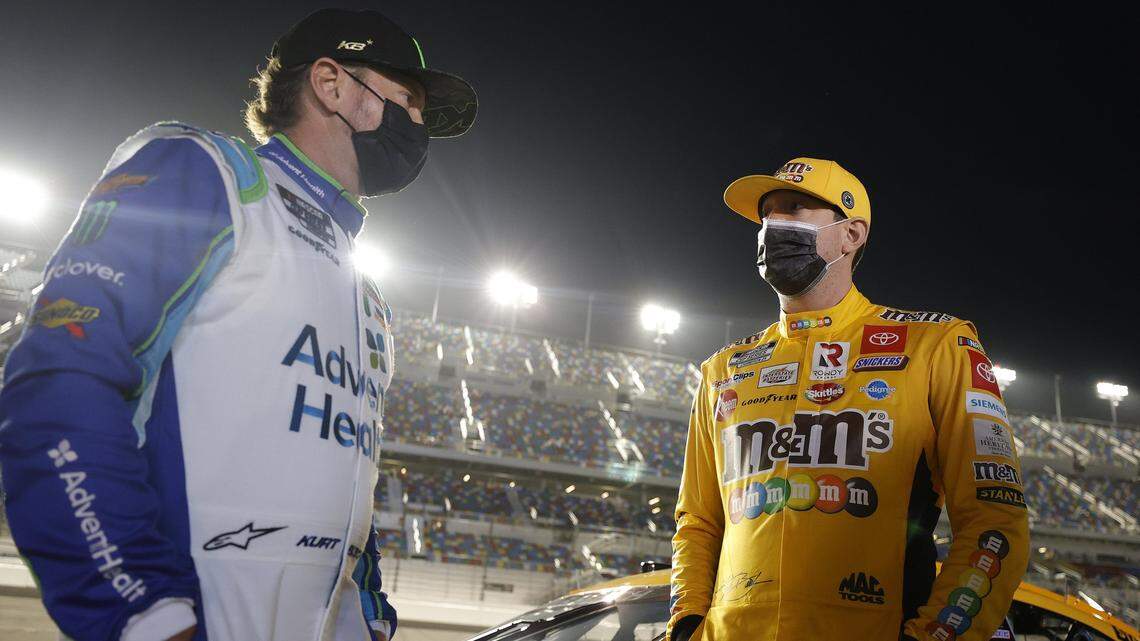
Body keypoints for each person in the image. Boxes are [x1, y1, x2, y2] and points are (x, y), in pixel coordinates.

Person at [0, 8, 476, 641]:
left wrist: (371, 620)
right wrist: (144, 616)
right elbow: (58, 387)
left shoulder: (365, 291)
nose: (418, 122)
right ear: (331, 84)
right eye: (408, 99)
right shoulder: (209, 175)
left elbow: (347, 492)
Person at [667, 158, 1029, 641]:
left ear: (851, 234)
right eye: (766, 214)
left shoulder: (937, 344)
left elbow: (995, 519)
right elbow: (697, 522)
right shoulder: (723, 369)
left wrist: (934, 634)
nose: (773, 226)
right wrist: (688, 625)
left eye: (794, 209)